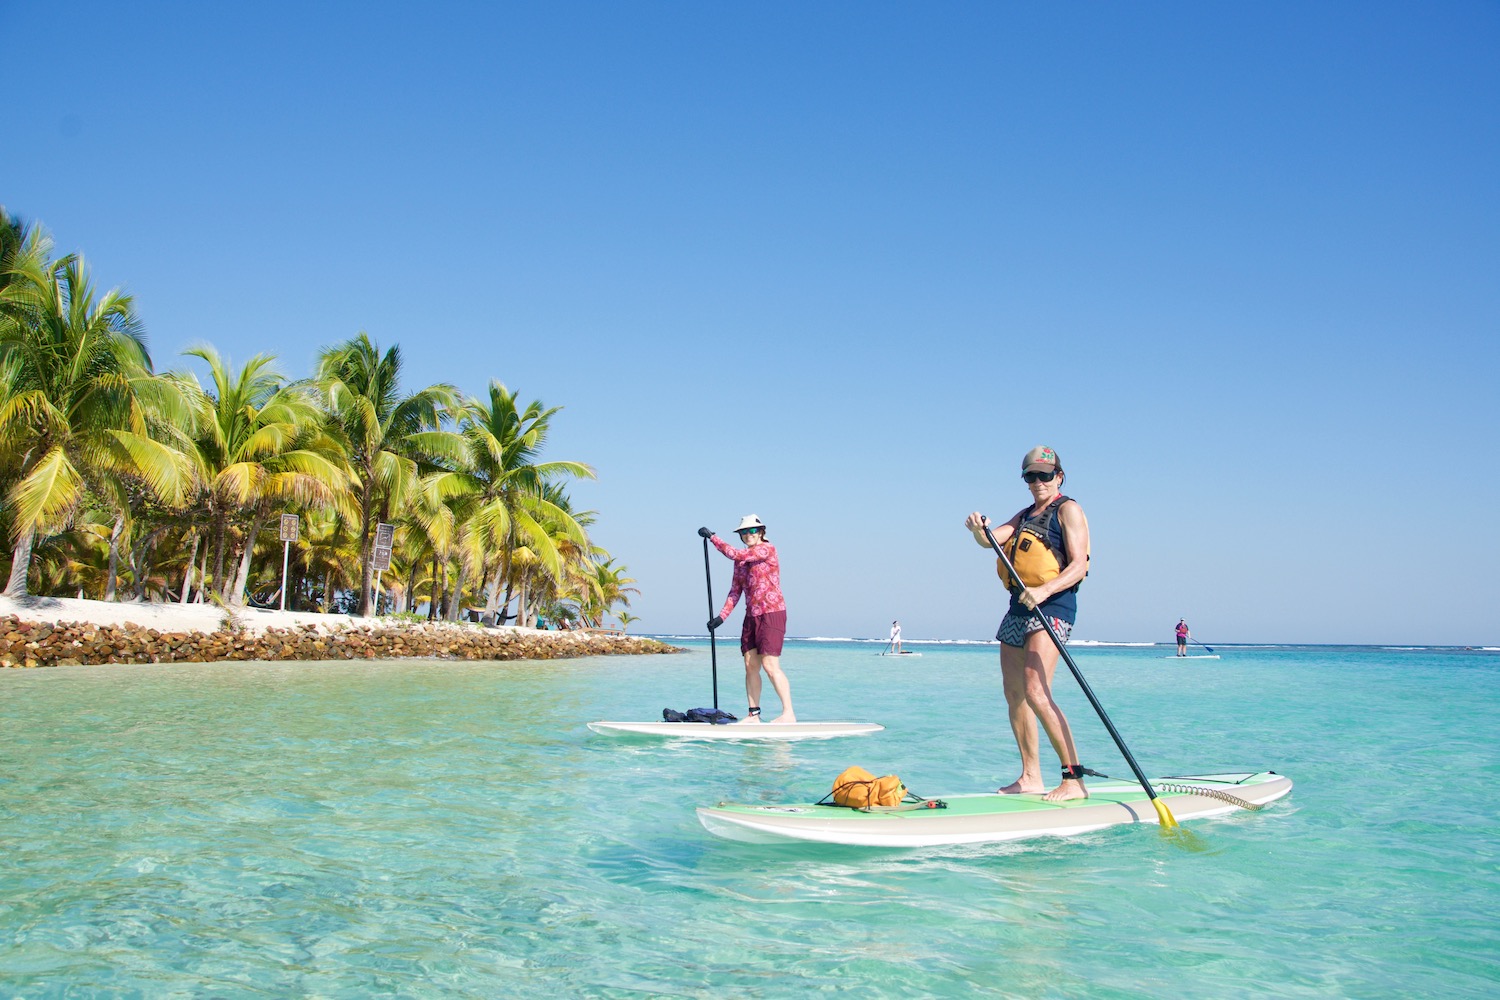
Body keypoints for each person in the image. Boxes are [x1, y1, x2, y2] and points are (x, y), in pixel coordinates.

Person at [964, 445, 1091, 802]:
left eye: (1044, 475)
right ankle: (1031, 776)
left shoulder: (1069, 510)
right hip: (1019, 608)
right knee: (1014, 694)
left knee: (1037, 692)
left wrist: (1045, 590)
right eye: (1031, 476)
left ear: (1059, 477)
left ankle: (1073, 778)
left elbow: (1079, 565)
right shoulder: (1024, 515)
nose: (1038, 482)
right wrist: (978, 528)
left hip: (1052, 606)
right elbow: (990, 541)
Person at [699, 516, 795, 724]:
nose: (748, 535)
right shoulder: (741, 563)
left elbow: (734, 552)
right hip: (751, 616)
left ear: (761, 532)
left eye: (752, 531)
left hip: (772, 613)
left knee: (770, 665)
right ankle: (754, 714)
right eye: (744, 532)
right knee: (750, 664)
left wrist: (713, 538)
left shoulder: (767, 549)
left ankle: (788, 713)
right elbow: (735, 592)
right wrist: (721, 617)